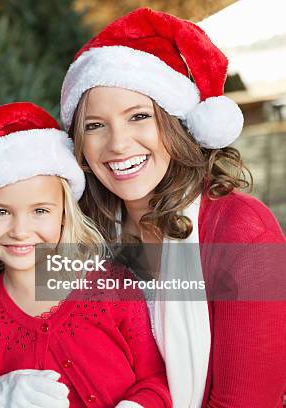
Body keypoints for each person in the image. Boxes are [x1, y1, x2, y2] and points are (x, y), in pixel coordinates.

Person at [60, 8, 286, 407]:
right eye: (95, 125)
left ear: (176, 125)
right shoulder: (84, 234)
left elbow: (247, 402)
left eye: (139, 117)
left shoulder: (244, 231)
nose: (117, 144)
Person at [0, 102, 172, 408]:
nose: (20, 230)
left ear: (64, 215)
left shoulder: (113, 287)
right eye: (1, 212)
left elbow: (156, 378)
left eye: (40, 211)